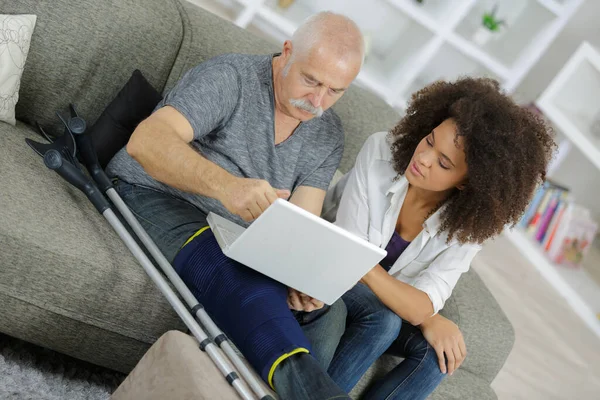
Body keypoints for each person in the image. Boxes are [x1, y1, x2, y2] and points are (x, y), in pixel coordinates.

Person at [106, 11, 365, 400]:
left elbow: (303, 222)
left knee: (331, 313)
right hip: (153, 195)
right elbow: (146, 142)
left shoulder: (327, 133)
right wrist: (226, 187)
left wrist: (302, 276)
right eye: (311, 80)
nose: (318, 101)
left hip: (238, 237)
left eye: (335, 90)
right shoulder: (232, 78)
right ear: (288, 51)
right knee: (228, 269)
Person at [322, 77, 555, 399]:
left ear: (466, 183)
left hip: (377, 297)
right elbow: (349, 254)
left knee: (438, 357)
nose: (424, 159)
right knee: (386, 322)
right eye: (429, 141)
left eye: (444, 163)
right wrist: (424, 315)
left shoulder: (469, 226)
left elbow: (423, 303)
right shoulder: (380, 153)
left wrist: (424, 314)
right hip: (332, 271)